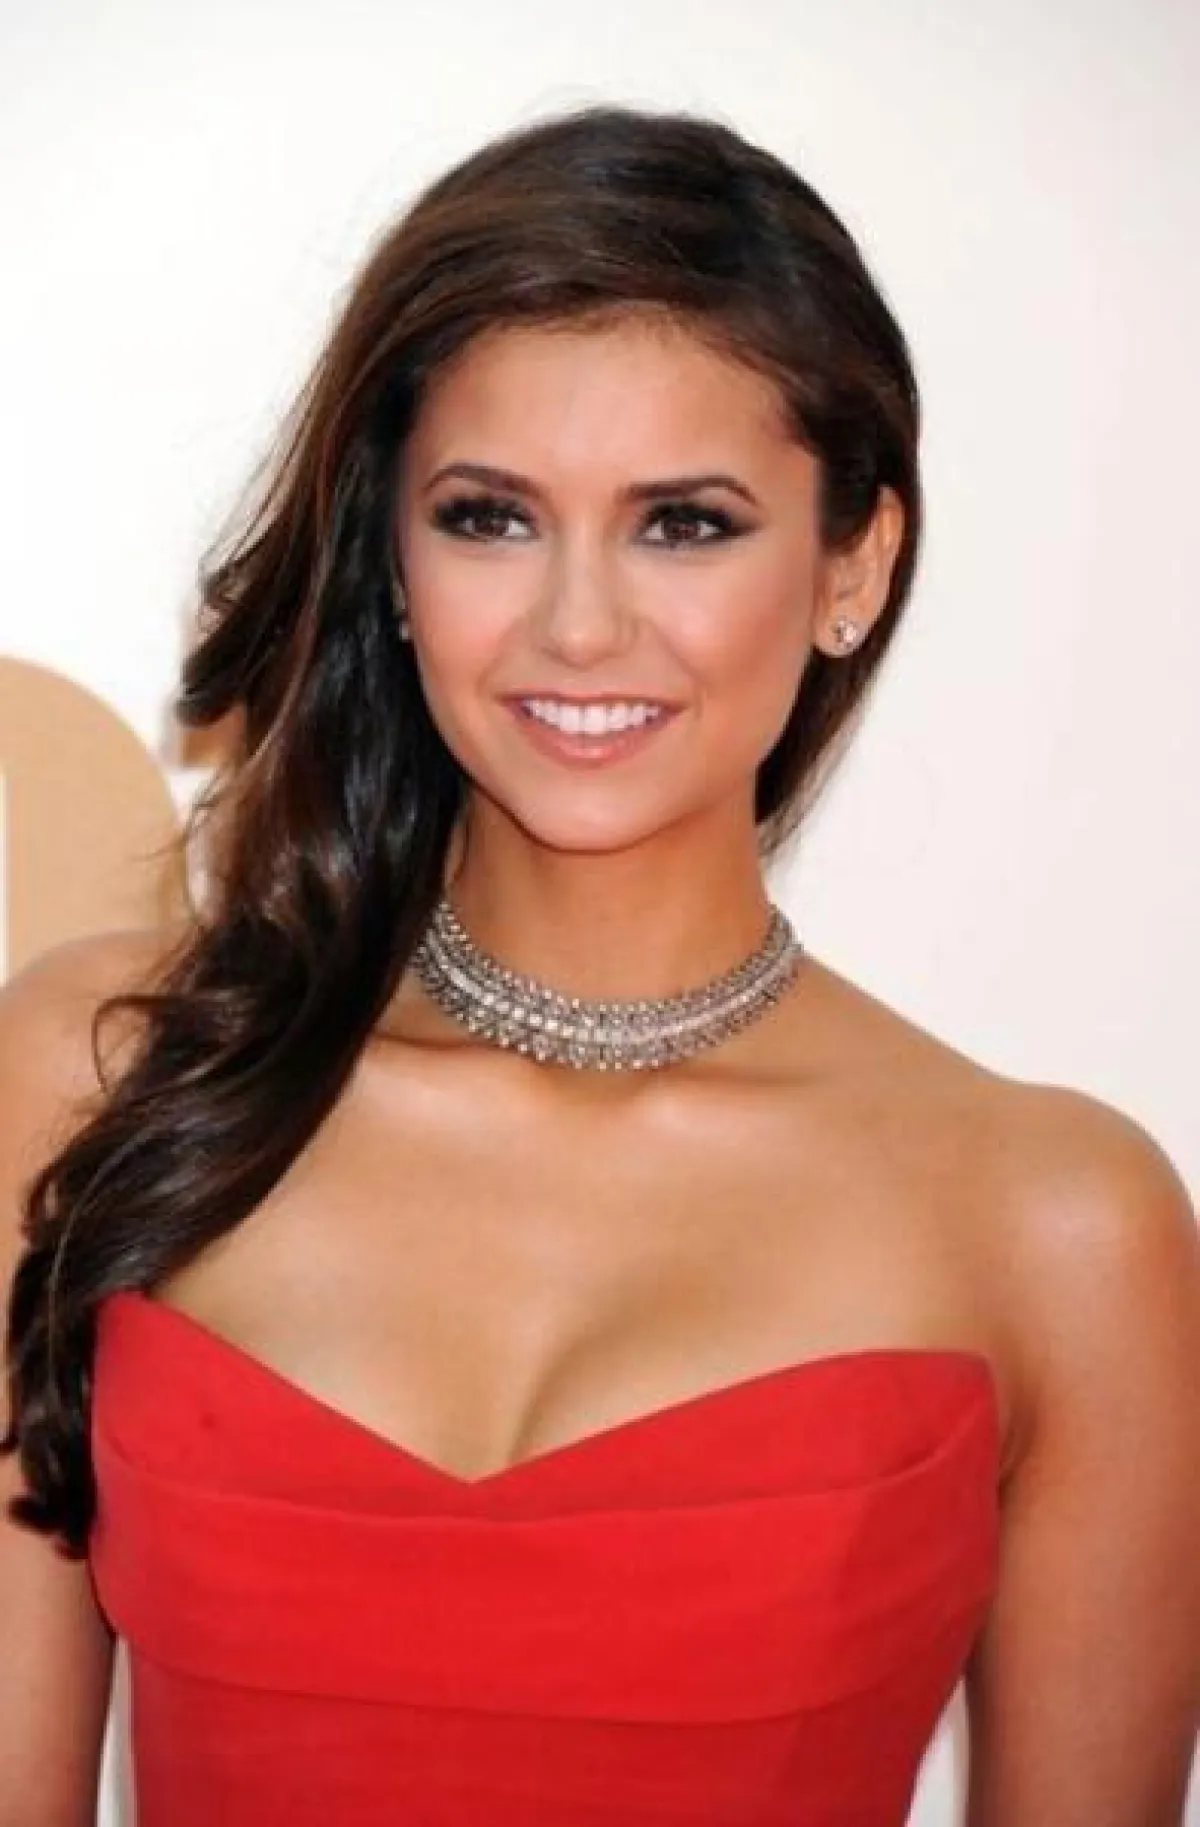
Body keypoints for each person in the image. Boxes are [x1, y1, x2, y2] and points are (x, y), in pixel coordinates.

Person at [1, 101, 1196, 1827]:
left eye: (685, 524)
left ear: (855, 564)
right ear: (392, 559)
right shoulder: (98, 1078)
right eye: (490, 517)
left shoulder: (1062, 1228)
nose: (577, 626)